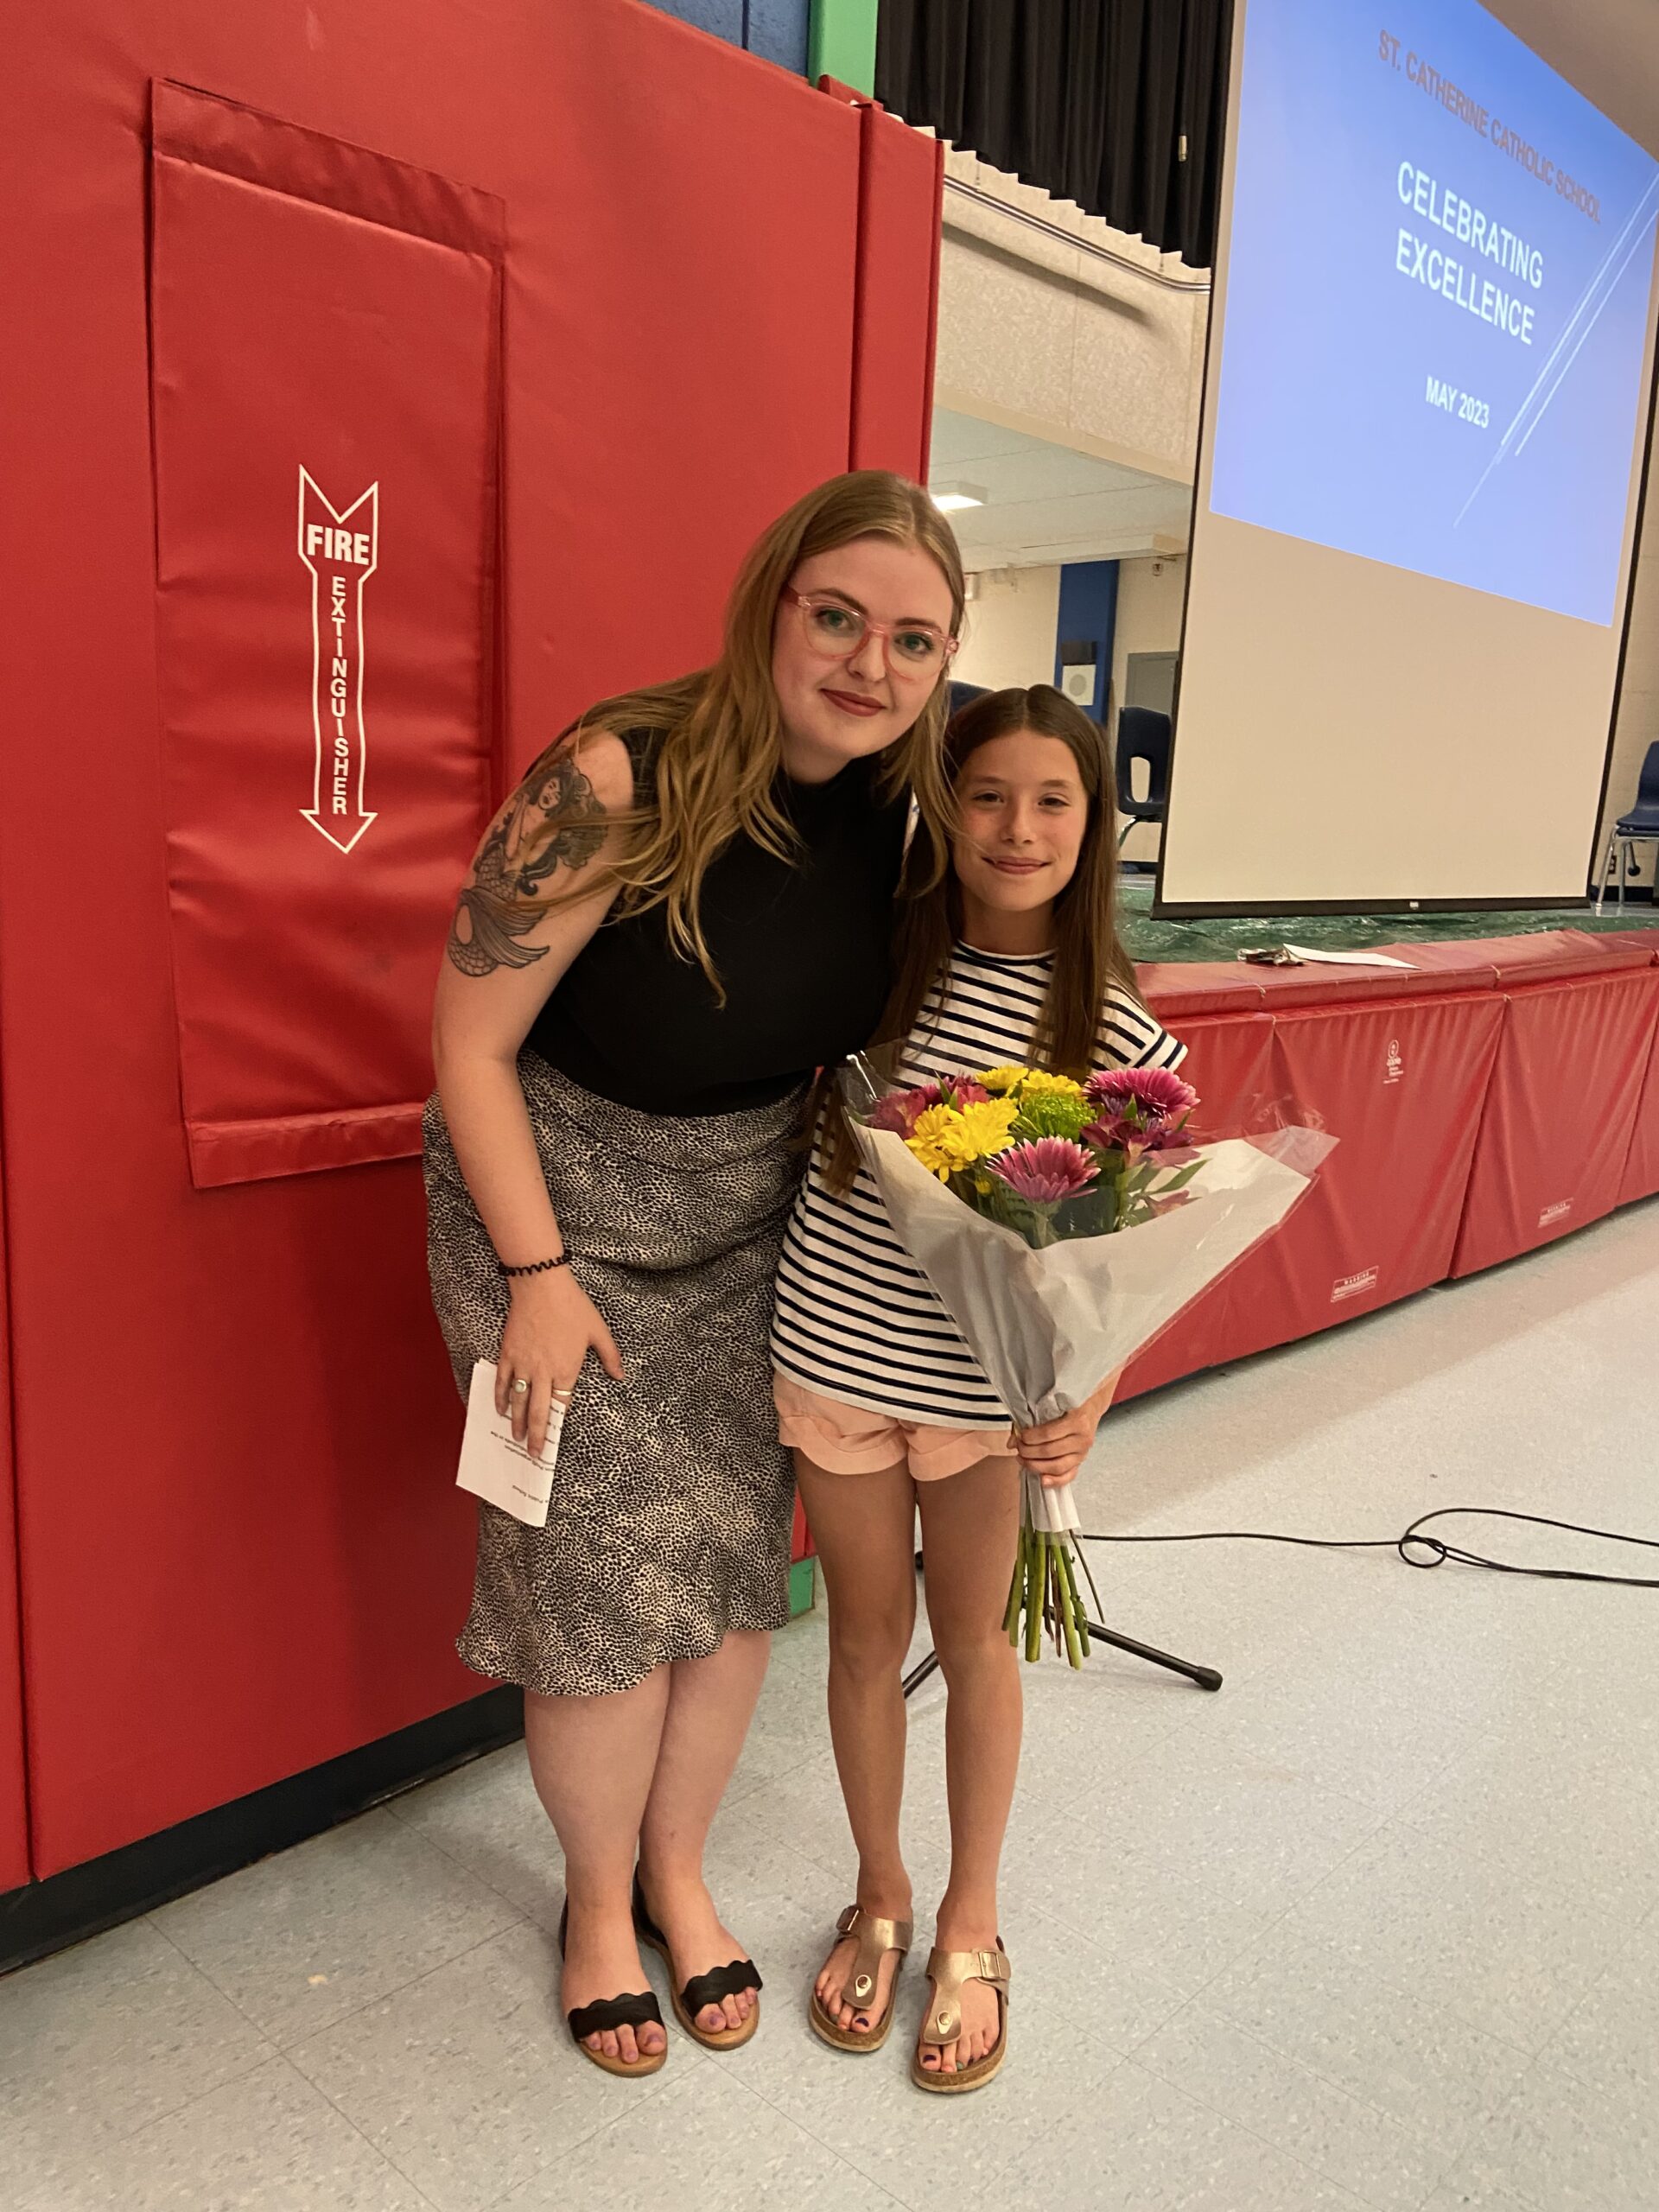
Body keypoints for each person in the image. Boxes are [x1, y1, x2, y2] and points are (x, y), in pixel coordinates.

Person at [423, 471, 963, 2077]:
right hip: (545, 1203)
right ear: (774, 605)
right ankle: (600, 1905)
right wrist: (536, 1271)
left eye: (914, 639)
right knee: (591, 1577)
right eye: (841, 617)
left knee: (733, 1565)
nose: (872, 663)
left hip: (746, 1224)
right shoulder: (618, 771)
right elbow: (467, 1040)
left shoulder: (902, 817)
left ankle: (678, 1865)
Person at [770, 684, 1186, 2092]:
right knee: (858, 1642)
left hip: (986, 1402)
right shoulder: (873, 971)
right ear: (943, 813)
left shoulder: (1120, 1035)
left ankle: (971, 1918)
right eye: (986, 797)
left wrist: (1094, 1396)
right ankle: (880, 1892)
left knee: (980, 1645)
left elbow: (1130, 1252)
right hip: (834, 1357)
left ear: (1094, 823)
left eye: (1051, 801)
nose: (1017, 829)